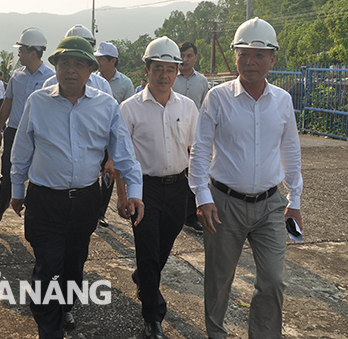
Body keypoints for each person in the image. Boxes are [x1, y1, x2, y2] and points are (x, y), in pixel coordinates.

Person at [10, 36, 144, 338]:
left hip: (85, 201)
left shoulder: (106, 106)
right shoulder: (38, 102)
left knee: (74, 263)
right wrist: (17, 191)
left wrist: (134, 194)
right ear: (55, 67)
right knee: (47, 265)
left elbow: (124, 155)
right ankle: (50, 328)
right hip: (44, 201)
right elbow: (22, 151)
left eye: (79, 64)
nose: (72, 69)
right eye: (65, 63)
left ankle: (65, 305)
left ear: (90, 69)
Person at [189, 17, 303, 339]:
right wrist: (203, 197)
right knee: (219, 278)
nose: (250, 62)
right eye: (243, 54)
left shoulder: (282, 101)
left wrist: (294, 200)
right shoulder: (218, 98)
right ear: (235, 55)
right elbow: (200, 151)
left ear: (273, 59)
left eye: (259, 55)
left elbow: (291, 152)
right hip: (224, 204)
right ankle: (217, 334)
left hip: (270, 205)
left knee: (273, 280)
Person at [118, 36, 199, 339]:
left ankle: (144, 277)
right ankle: (153, 315)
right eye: (158, 68)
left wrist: (199, 192)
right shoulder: (130, 109)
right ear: (147, 69)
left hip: (178, 187)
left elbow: (197, 150)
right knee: (148, 248)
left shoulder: (188, 107)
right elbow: (122, 158)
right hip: (144, 189)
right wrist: (124, 196)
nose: (164, 75)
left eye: (170, 69)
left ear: (178, 71)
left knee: (163, 248)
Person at [0, 27, 54, 228]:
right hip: (14, 132)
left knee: (39, 178)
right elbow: (7, 103)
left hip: (39, 136)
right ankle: (1, 207)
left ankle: (37, 218)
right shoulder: (17, 76)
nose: (19, 54)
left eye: (22, 50)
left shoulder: (51, 79)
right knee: (7, 174)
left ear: (33, 52)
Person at [94, 41, 135, 227]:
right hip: (95, 134)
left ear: (113, 61)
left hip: (114, 136)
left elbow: (128, 113)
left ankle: (100, 211)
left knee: (109, 174)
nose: (98, 61)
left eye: (101, 59)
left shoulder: (125, 83)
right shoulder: (92, 80)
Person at [173, 41, 210, 232]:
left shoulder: (202, 82)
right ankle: (175, 214)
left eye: (189, 55)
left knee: (193, 175)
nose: (185, 60)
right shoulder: (171, 78)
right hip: (172, 134)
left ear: (196, 57)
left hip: (193, 136)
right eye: (182, 55)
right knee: (175, 175)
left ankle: (190, 215)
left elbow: (205, 109)